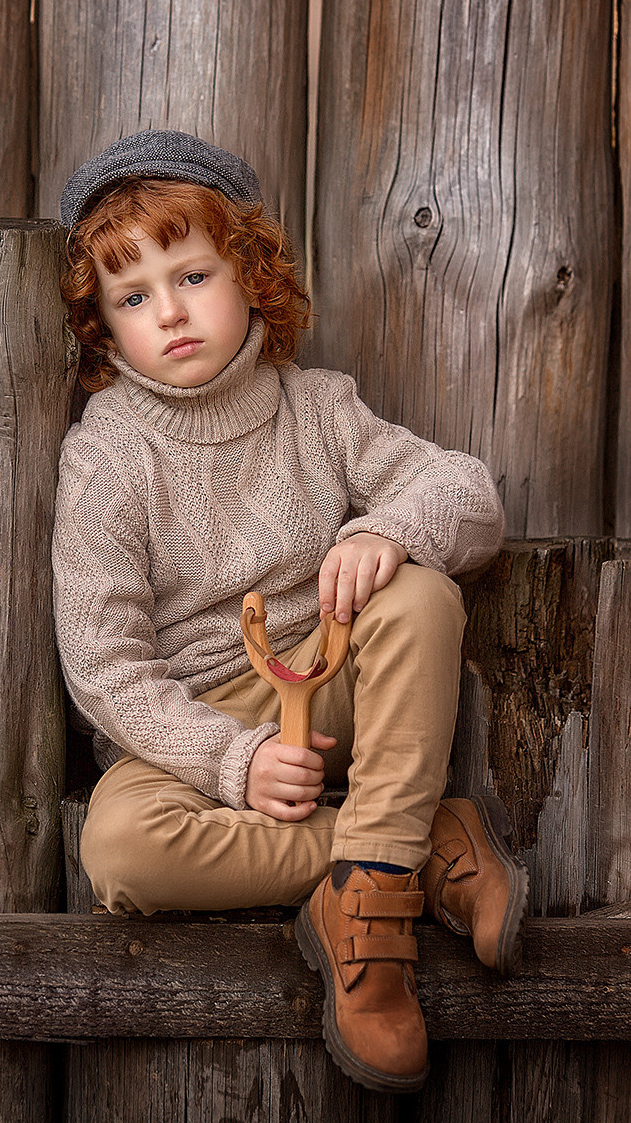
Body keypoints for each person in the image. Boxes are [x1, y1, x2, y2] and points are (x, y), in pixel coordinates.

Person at [51, 129, 527, 1094]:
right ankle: (411, 848)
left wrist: (387, 529)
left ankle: (370, 911)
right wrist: (232, 760)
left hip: (326, 678)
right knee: (119, 851)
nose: (172, 312)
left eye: (193, 275)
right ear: (103, 327)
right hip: (200, 733)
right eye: (133, 297)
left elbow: (469, 494)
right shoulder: (106, 459)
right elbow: (104, 666)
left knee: (422, 593)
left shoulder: (317, 410)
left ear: (251, 272)